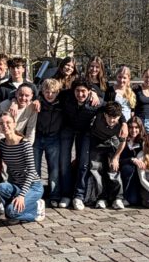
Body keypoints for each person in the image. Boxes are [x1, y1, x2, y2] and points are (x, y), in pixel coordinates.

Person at [0, 112, 44, 223]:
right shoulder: (2, 144)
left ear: (14, 124)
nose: (5, 125)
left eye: (8, 122)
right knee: (1, 188)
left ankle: (36, 208)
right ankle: (14, 212)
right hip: (16, 185)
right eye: (1, 123)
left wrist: (22, 196)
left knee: (11, 212)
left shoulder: (24, 144)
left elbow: (32, 171)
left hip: (33, 186)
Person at [58, 80, 100, 209]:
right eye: (77, 91)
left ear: (89, 92)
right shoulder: (67, 96)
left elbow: (111, 108)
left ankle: (79, 195)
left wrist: (124, 123)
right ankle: (66, 194)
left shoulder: (94, 101)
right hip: (67, 129)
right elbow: (45, 93)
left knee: (83, 164)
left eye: (84, 91)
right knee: (64, 162)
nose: (80, 94)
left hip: (85, 132)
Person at [79, 101, 128, 210]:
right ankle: (101, 197)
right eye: (109, 117)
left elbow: (123, 142)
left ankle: (117, 198)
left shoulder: (121, 125)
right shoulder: (101, 112)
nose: (112, 120)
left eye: (115, 118)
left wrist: (116, 157)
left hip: (112, 142)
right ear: (105, 114)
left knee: (113, 169)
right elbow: (100, 102)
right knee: (96, 170)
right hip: (96, 141)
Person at [33, 79, 63, 205]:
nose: (50, 95)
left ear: (57, 92)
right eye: (47, 92)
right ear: (42, 92)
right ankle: (36, 195)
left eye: (53, 92)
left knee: (54, 169)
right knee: (35, 169)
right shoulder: (37, 103)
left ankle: (54, 196)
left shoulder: (61, 104)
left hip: (53, 138)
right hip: (38, 138)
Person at [118, 116, 146, 207]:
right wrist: (131, 159)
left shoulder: (143, 141)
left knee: (134, 201)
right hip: (124, 170)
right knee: (128, 168)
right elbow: (118, 160)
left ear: (140, 128)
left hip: (138, 175)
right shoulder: (122, 140)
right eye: (131, 127)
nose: (133, 130)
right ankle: (123, 196)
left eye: (136, 127)